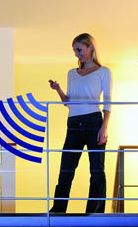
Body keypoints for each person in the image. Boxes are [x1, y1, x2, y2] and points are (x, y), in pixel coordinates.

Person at [48, 33, 112, 213]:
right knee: (66, 169)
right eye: (74, 51)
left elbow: (108, 102)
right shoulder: (71, 73)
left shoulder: (104, 72)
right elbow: (69, 102)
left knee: (97, 170)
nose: (76, 54)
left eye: (79, 50)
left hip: (94, 122)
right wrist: (58, 90)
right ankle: (58, 210)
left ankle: (94, 213)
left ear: (90, 47)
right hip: (74, 124)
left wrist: (104, 127)